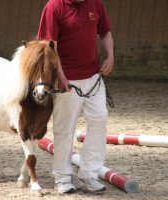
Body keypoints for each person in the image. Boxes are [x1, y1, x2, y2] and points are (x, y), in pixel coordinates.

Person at [37, 0, 114, 194]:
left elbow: (104, 31)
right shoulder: (54, 6)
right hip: (67, 78)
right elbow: (48, 45)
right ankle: (62, 177)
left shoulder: (95, 4)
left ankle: (89, 174)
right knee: (65, 127)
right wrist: (60, 75)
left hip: (93, 76)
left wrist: (110, 56)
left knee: (100, 117)